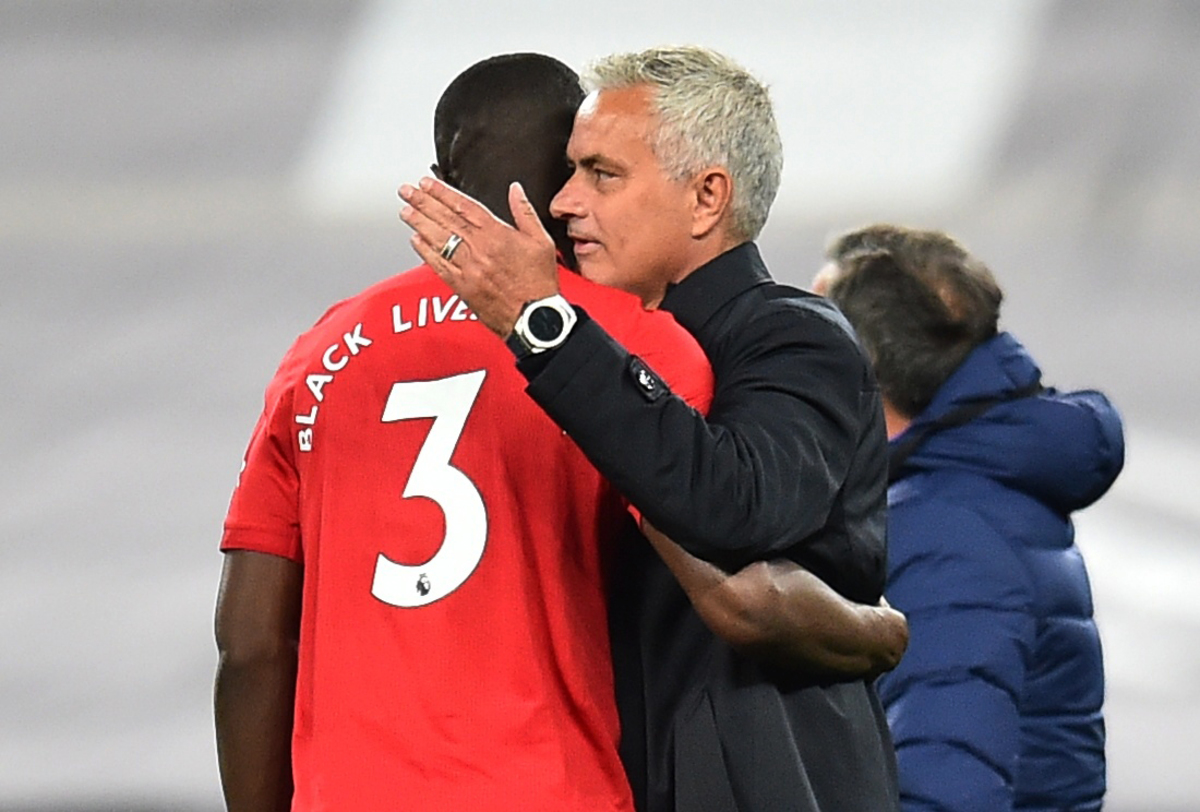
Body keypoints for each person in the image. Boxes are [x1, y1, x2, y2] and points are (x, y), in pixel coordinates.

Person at [215, 53, 904, 812]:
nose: (568, 202)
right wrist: (878, 630)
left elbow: (730, 510)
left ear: (708, 197)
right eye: (568, 171)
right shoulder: (618, 343)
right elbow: (733, 594)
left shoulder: (786, 338)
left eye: (601, 175)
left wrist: (544, 325)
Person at [818, 224, 1123, 811]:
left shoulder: (945, 540)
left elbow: (945, 785)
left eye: (815, 338)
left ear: (863, 367)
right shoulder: (974, 491)